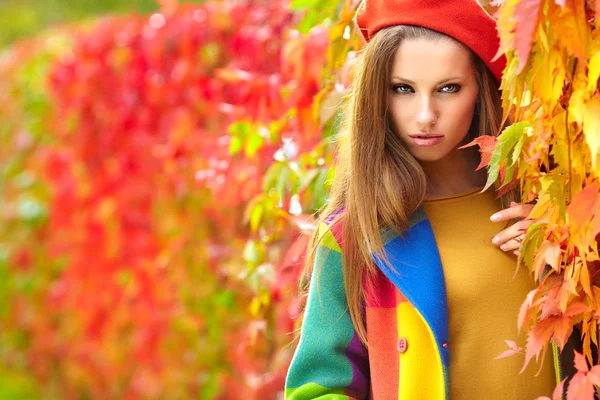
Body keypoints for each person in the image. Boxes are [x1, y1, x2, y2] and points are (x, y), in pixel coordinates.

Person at [284, 0, 586, 399]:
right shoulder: (353, 235)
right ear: (378, 96)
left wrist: (574, 257)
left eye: (448, 88)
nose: (425, 114)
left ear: (481, 89)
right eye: (402, 89)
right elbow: (318, 388)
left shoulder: (549, 202)